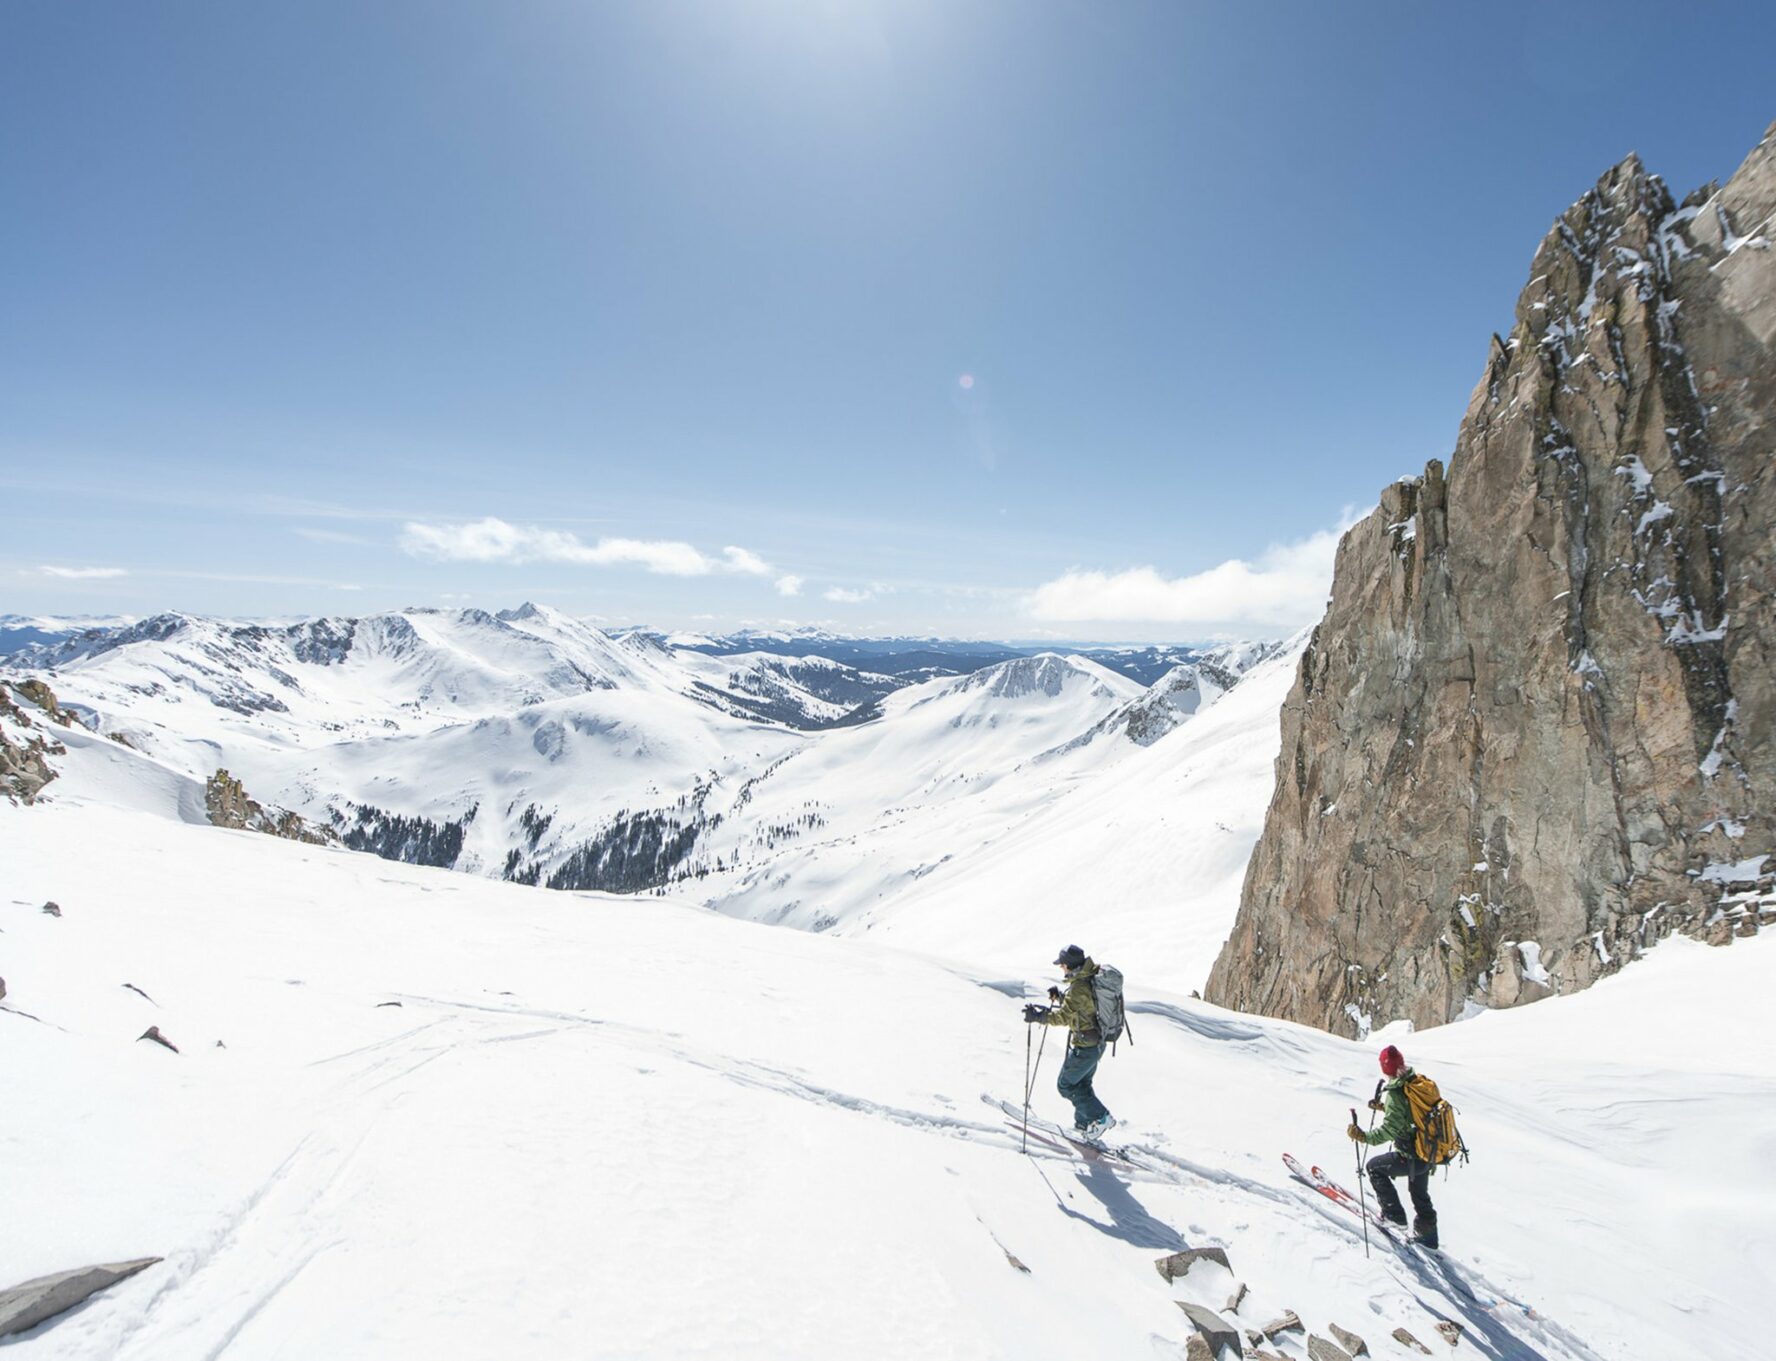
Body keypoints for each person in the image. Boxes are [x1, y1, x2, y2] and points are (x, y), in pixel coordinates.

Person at [1347, 1044, 1438, 1248]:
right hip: (1428, 1152)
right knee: (1420, 1195)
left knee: (1374, 1168)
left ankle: (1393, 1216)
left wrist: (1363, 1137)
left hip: (1411, 1154)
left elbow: (1389, 1131)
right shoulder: (1416, 1083)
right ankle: (1429, 1238)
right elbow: (1410, 1115)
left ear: (1384, 1069)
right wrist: (1386, 1108)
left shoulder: (1397, 1093)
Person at [1022, 944, 1115, 1142]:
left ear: (1069, 965)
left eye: (1062, 965)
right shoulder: (1088, 977)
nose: (1061, 969)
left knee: (1065, 1085)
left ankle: (1101, 1117)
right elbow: (1083, 1006)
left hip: (1086, 1046)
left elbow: (1064, 1017)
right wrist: (1062, 997)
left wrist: (1039, 1017)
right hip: (1097, 1043)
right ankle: (1084, 1125)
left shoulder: (1079, 987)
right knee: (1082, 1084)